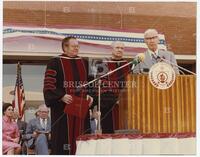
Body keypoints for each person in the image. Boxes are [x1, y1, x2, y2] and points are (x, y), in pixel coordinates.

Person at [43, 36, 93, 155]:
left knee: (81, 138)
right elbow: (49, 85)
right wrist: (61, 96)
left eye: (77, 46)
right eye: (73, 46)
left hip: (81, 110)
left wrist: (90, 95)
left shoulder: (84, 62)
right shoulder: (55, 62)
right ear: (65, 47)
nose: (76, 48)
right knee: (63, 141)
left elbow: (91, 83)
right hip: (62, 110)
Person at [91, 41, 131, 133]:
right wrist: (115, 100)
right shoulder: (103, 64)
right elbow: (101, 86)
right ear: (111, 49)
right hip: (109, 106)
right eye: (117, 47)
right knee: (109, 132)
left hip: (126, 105)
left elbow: (131, 85)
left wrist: (125, 99)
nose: (120, 50)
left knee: (126, 131)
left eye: (122, 48)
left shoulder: (128, 65)